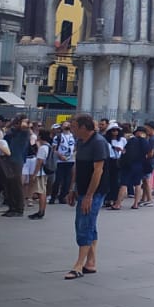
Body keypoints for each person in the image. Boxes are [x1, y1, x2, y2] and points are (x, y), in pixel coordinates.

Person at [65, 114, 109, 280]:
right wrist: (72, 188)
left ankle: (78, 265)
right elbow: (77, 166)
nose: (72, 130)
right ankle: (90, 262)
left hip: (95, 191)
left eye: (74, 127)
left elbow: (98, 171)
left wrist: (89, 196)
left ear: (83, 127)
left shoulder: (98, 142)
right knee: (88, 223)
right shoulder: (81, 142)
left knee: (84, 223)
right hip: (83, 189)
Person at [25, 127, 50, 220]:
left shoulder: (43, 148)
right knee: (42, 191)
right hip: (44, 172)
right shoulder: (48, 146)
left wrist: (34, 174)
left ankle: (41, 211)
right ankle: (41, 211)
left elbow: (39, 161)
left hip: (40, 172)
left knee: (41, 192)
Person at [50, 124, 76, 205]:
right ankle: (53, 196)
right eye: (65, 125)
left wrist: (73, 155)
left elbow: (76, 147)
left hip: (70, 160)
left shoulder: (74, 136)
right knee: (58, 179)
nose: (67, 126)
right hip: (60, 161)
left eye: (68, 125)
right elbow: (54, 149)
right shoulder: (58, 137)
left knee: (67, 180)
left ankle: (63, 196)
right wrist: (60, 156)